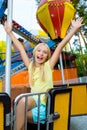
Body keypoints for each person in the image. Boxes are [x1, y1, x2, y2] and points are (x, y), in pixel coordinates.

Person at [3, 17, 83, 130]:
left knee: (22, 101)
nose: (41, 54)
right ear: (35, 53)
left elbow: (59, 46)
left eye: (44, 52)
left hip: (43, 104)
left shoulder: (47, 66)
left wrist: (73, 29)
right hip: (33, 106)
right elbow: (21, 49)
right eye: (39, 51)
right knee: (18, 114)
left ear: (47, 57)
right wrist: (10, 33)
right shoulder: (30, 66)